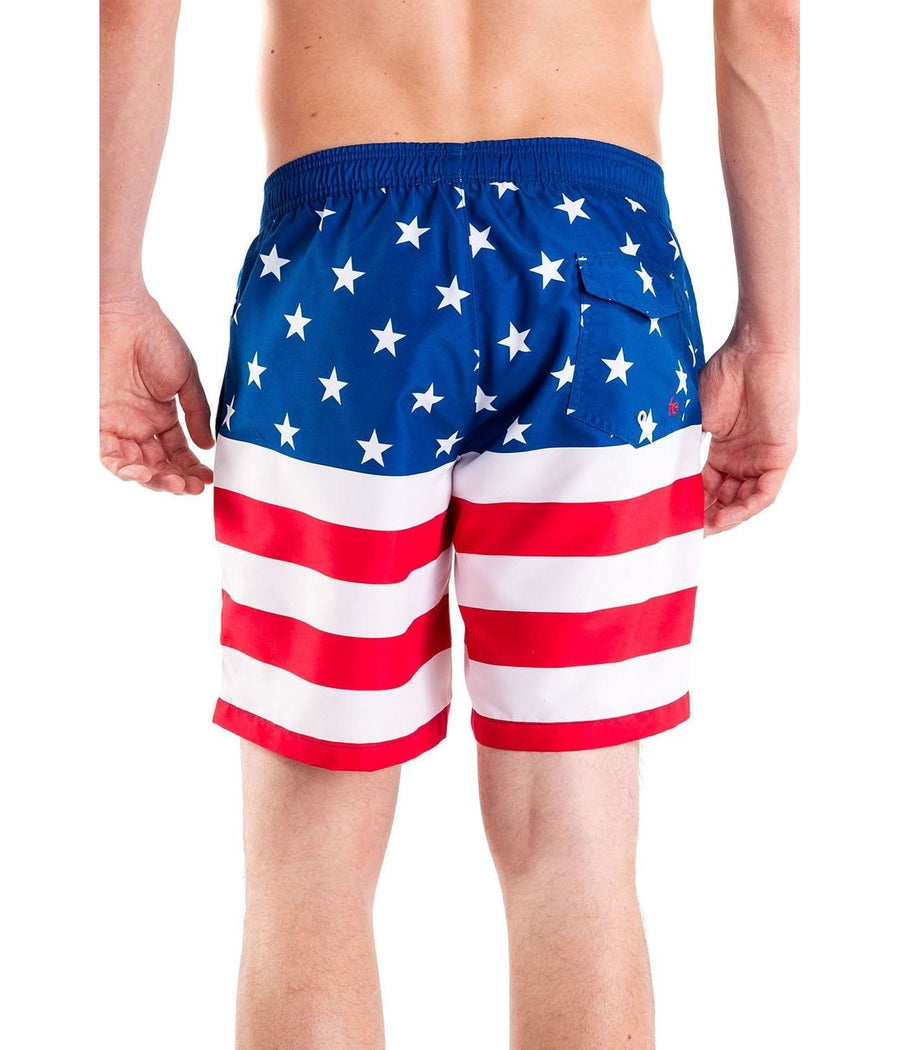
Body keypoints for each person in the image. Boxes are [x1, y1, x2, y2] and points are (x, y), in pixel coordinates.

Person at [99, 1, 798, 1046]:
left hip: (341, 275)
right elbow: (767, 17)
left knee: (310, 858)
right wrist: (773, 338)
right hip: (599, 277)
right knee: (576, 848)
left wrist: (109, 296)